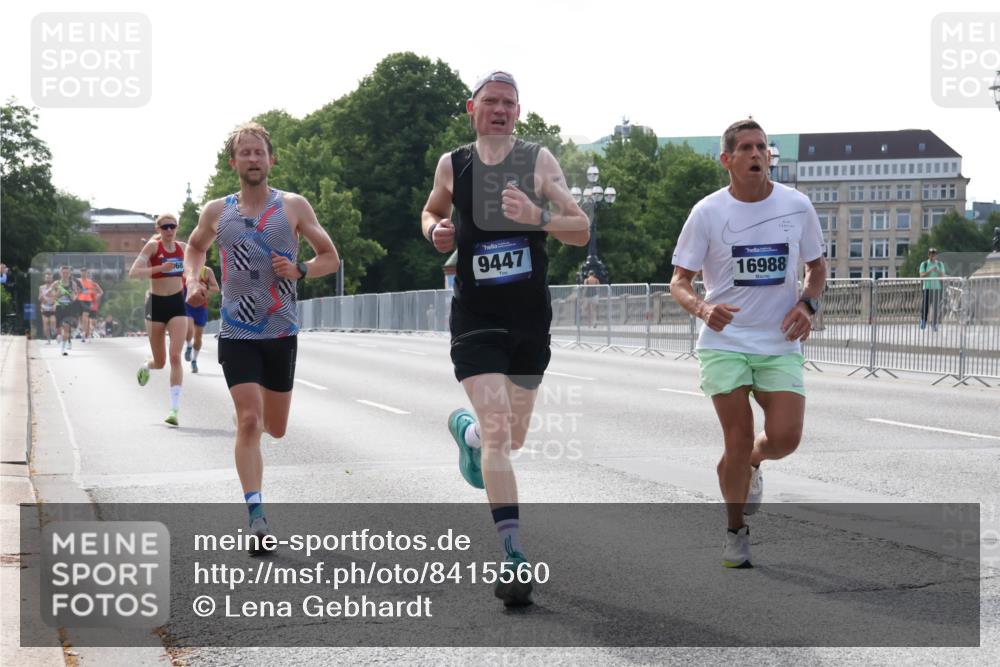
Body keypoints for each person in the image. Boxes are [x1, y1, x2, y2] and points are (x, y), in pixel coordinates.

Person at [421, 70, 589, 606]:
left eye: (509, 104)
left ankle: (466, 435)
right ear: (473, 108)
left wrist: (538, 217)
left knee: (509, 440)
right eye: (490, 101)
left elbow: (580, 227)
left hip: (527, 321)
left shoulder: (537, 161)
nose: (499, 110)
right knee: (501, 435)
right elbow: (432, 209)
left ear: (518, 112)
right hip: (474, 318)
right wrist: (434, 230)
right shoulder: (455, 164)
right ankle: (513, 555)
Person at [669, 119, 826, 569]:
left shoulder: (796, 205)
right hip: (725, 341)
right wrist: (702, 309)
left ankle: (756, 462)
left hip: (779, 340)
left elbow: (816, 269)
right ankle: (735, 531)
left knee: (785, 438)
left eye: (763, 147)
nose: (758, 154)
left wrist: (807, 306)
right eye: (747, 148)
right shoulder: (708, 212)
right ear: (728, 160)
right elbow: (678, 281)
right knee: (735, 440)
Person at [185, 121, 340, 551]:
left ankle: (248, 422)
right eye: (245, 153)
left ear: (271, 160)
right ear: (233, 162)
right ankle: (257, 517)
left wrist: (302, 268)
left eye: (259, 152)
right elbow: (194, 247)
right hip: (236, 331)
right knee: (250, 420)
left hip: (280, 331)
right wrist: (193, 278)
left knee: (276, 427)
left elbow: (330, 257)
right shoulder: (217, 212)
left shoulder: (293, 207)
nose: (253, 159)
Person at [129, 217, 187, 426]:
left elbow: (196, 267)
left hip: (177, 305)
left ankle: (174, 409)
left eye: (173, 226)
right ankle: (147, 365)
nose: (169, 230)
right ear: (159, 229)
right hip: (155, 305)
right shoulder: (154, 246)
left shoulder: (183, 248)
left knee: (175, 357)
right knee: (160, 362)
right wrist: (160, 269)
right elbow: (134, 272)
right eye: (165, 227)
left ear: (177, 228)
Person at [184, 264, 219, 373]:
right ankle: (189, 345)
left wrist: (205, 288)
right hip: (187, 305)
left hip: (201, 307)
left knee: (198, 337)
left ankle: (194, 361)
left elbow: (216, 288)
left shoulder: (207, 271)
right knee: (189, 330)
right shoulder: (184, 268)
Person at [52, 266, 81, 356]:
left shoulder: (73, 284)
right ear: (60, 273)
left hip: (69, 307)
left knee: (67, 328)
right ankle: (59, 336)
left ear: (69, 274)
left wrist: (73, 297)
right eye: (63, 273)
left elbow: (76, 294)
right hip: (59, 307)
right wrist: (59, 293)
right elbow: (54, 297)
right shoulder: (56, 284)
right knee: (59, 330)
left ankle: (63, 349)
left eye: (67, 273)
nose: (65, 274)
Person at [919, 247, 946, 332]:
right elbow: (921, 275)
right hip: (927, 287)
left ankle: (934, 323)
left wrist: (937, 271)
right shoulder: (924, 264)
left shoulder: (940, 264)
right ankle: (923, 321)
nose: (932, 256)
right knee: (925, 306)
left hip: (937, 288)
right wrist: (930, 271)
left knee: (936, 308)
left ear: (936, 255)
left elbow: (942, 276)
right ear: (928, 255)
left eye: (934, 254)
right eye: (931, 254)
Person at [76, 268, 104, 342]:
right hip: (79, 300)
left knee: (86, 317)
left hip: (88, 301)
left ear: (87, 273)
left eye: (85, 272)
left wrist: (97, 296)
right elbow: (73, 290)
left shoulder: (91, 282)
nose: (84, 274)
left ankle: (86, 333)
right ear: (80, 273)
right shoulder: (77, 281)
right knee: (81, 319)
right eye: (82, 272)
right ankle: (83, 331)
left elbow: (98, 291)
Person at [39, 271, 57, 344]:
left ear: (52, 279)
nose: (48, 279)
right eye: (47, 278)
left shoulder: (55, 287)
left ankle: (53, 330)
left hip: (52, 306)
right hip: (44, 307)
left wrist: (55, 305)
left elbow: (57, 297)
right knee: (45, 323)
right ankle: (48, 339)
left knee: (52, 321)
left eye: (49, 278)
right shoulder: (41, 287)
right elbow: (39, 298)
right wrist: (42, 298)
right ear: (45, 279)